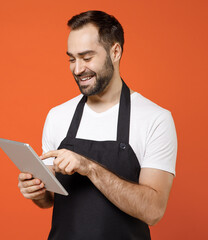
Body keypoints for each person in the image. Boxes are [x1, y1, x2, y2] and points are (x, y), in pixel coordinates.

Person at [17, 10, 177, 240]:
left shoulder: (155, 119)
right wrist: (37, 192)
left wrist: (89, 167)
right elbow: (50, 200)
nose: (77, 69)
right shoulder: (58, 116)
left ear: (115, 51)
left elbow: (153, 211)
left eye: (87, 57)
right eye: (72, 59)